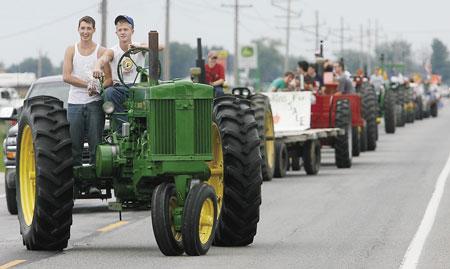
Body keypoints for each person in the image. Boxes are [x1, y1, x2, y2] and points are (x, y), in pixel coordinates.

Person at [63, 16, 111, 194]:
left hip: (94, 103)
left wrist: (97, 88)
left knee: (95, 145)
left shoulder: (101, 51)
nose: (85, 32)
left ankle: (94, 184)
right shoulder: (71, 50)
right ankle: (75, 184)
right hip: (75, 103)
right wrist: (87, 85)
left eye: (88, 28)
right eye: (82, 28)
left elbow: (109, 79)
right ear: (78, 29)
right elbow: (66, 76)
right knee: (74, 146)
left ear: (94, 30)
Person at [92, 15, 149, 130]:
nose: (123, 33)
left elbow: (160, 47)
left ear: (132, 31)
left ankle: (147, 127)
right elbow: (103, 59)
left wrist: (140, 47)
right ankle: (123, 128)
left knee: (153, 92)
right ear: (116, 33)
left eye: (126, 30)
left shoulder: (139, 47)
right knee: (108, 93)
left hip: (138, 88)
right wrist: (97, 67)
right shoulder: (113, 51)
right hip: (120, 89)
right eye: (120, 30)